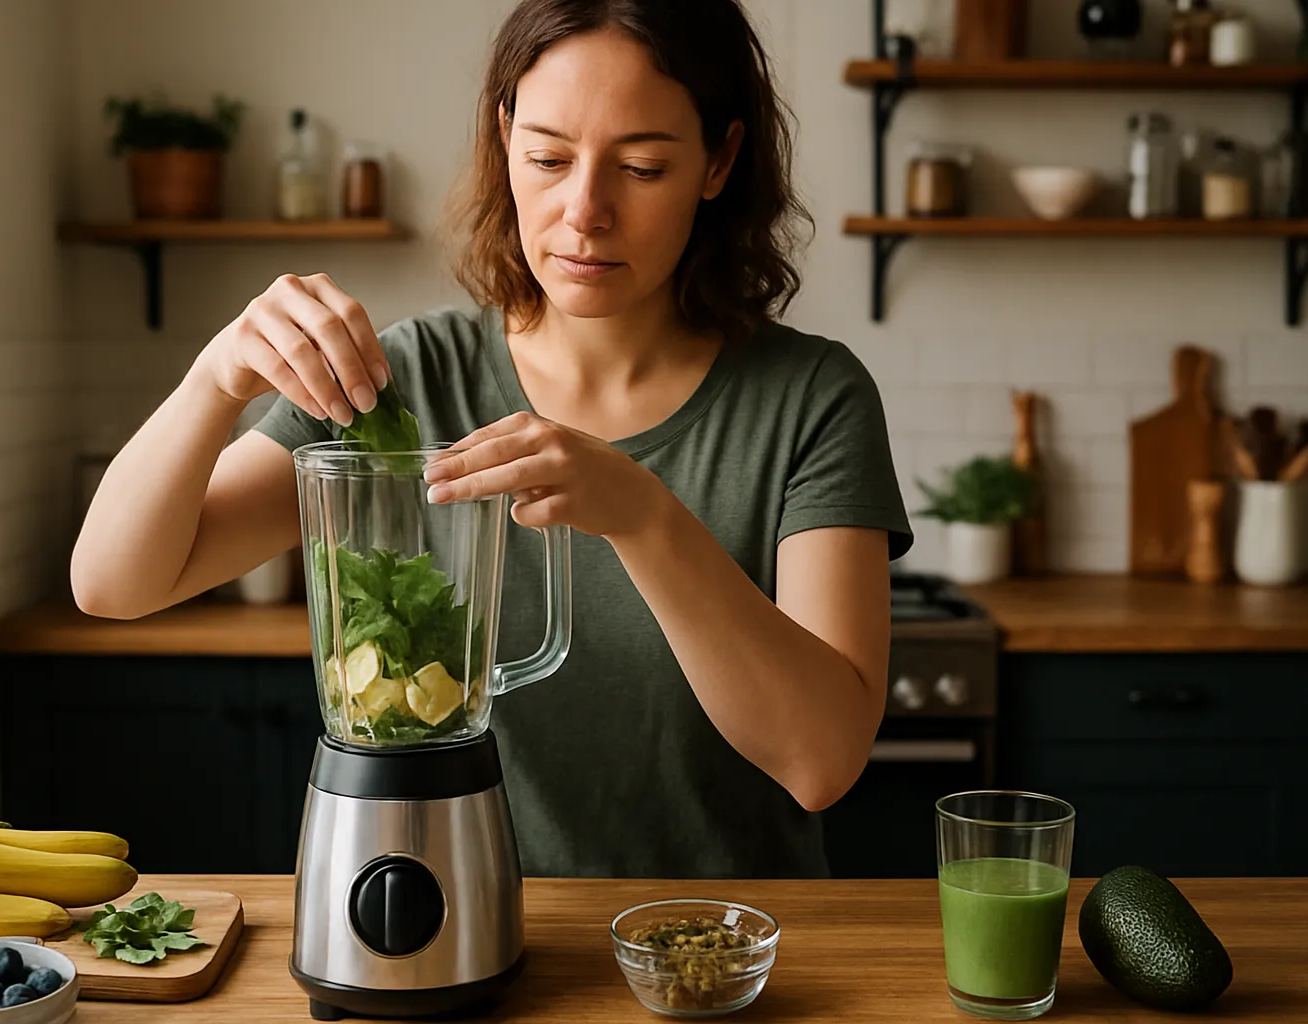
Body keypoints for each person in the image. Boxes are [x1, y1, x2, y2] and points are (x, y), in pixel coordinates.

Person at [71, 0, 912, 879]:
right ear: (504, 137)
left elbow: (822, 763)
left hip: (725, 958)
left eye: (643, 166)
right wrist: (214, 380)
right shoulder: (404, 380)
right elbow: (112, 583)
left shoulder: (815, 396)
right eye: (549, 157)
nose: (584, 211)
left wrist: (642, 515)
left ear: (719, 161)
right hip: (466, 937)